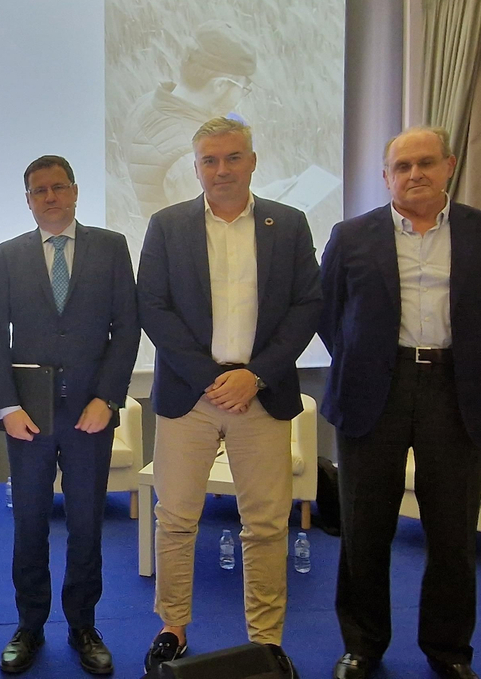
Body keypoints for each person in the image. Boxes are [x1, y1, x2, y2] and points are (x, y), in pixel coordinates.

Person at [319, 127, 481, 679]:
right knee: (364, 529)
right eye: (403, 167)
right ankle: (363, 646)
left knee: (452, 533)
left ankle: (449, 650)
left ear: (449, 166)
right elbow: (329, 313)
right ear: (386, 177)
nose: (415, 175)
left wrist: (468, 362)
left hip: (456, 392)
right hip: (371, 392)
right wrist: (367, 359)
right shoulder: (351, 235)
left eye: (426, 163)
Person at [136, 116, 321, 676]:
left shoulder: (288, 223)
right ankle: (172, 628)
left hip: (261, 394)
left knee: (265, 525)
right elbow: (153, 307)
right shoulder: (167, 225)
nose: (222, 170)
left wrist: (254, 375)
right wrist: (209, 378)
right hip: (190, 395)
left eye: (233, 157)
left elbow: (307, 305)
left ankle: (266, 641)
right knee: (175, 519)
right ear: (196, 168)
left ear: (253, 161)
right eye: (210, 160)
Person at [0, 155, 140, 675]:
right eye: (39, 190)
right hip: (27, 416)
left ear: (74, 191)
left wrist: (108, 398)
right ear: (28, 200)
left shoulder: (111, 247)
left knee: (86, 524)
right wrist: (6, 406)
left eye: (57, 187)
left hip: (89, 413)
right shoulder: (8, 254)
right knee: (29, 523)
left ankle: (83, 625)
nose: (49, 197)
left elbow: (128, 328)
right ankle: (29, 626)